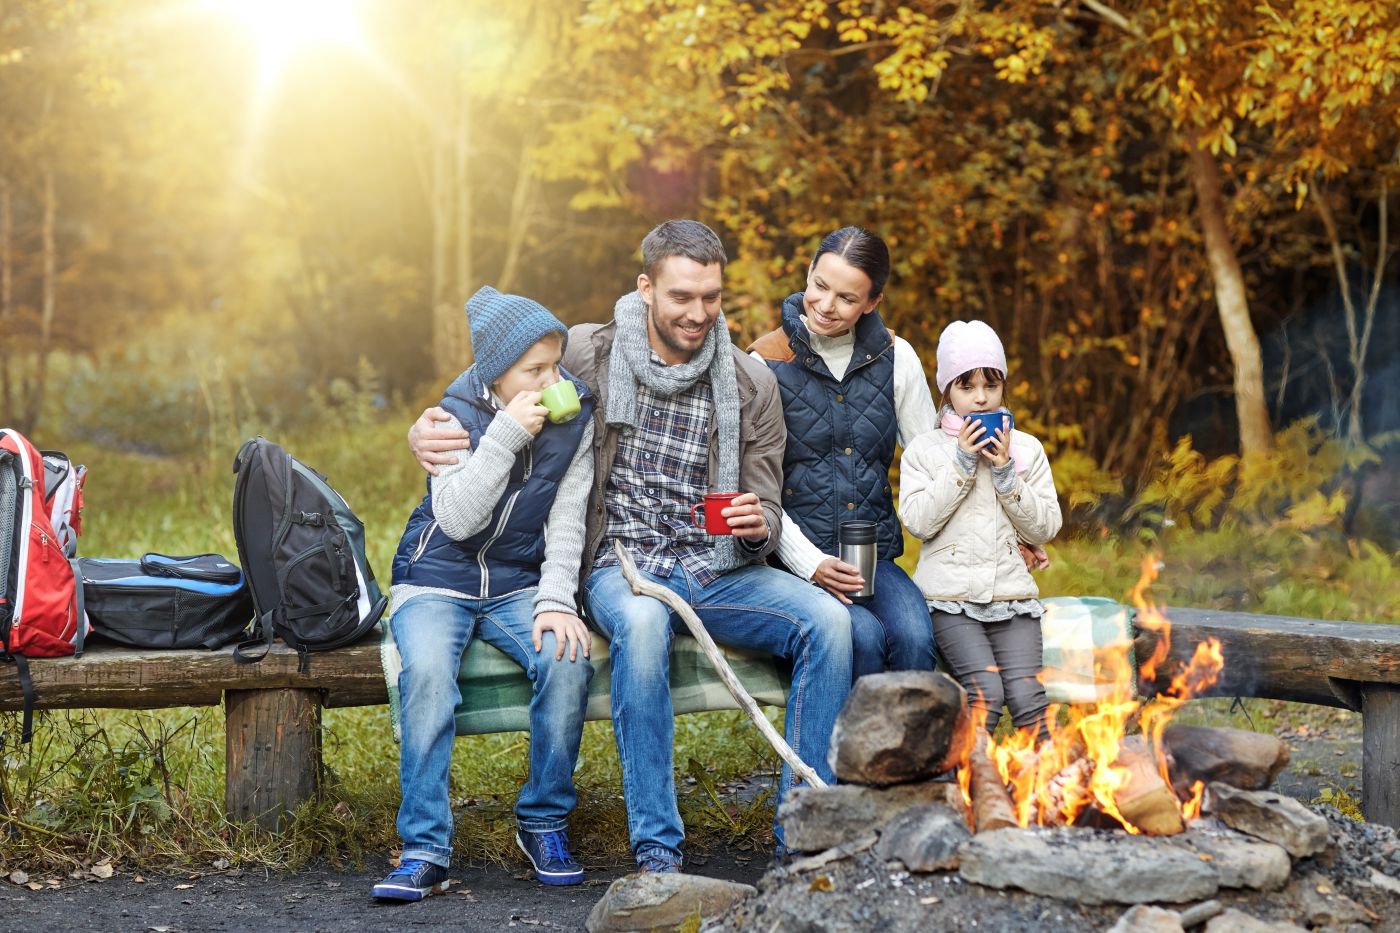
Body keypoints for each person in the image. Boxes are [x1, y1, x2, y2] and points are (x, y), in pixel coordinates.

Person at [409, 220, 852, 874]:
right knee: (642, 626)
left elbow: (765, 493)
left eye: (711, 296)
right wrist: (428, 425)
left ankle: (802, 838)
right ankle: (658, 852)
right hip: (622, 565)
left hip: (717, 566)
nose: (697, 312)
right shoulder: (591, 351)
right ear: (646, 288)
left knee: (831, 623)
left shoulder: (750, 383)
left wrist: (758, 521)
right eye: (681, 296)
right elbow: (497, 370)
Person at [373, 286, 596, 902]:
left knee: (566, 658)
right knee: (425, 679)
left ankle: (543, 820)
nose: (553, 379)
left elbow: (568, 517)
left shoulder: (573, 417)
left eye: (556, 364)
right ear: (496, 376)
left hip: (517, 583)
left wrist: (556, 599)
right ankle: (424, 848)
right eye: (535, 370)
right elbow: (459, 521)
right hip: (435, 578)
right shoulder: (451, 418)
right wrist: (503, 437)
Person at [748, 226, 939, 679]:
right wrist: (810, 564)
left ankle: (908, 750)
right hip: (796, 563)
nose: (825, 306)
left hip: (874, 559)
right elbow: (755, 487)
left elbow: (933, 463)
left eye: (847, 298)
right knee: (863, 640)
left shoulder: (897, 357)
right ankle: (851, 751)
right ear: (809, 274)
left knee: (915, 638)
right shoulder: (765, 363)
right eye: (819, 286)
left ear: (872, 302)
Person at [897, 320, 1062, 742]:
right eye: (966, 386)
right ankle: (967, 792)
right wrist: (963, 464)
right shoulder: (926, 451)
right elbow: (918, 522)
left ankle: (1046, 798)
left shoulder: (1026, 450)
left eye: (991, 384)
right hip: (948, 602)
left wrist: (1007, 472)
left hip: (1012, 599)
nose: (981, 397)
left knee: (1029, 700)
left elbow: (1047, 525)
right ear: (947, 391)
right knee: (984, 694)